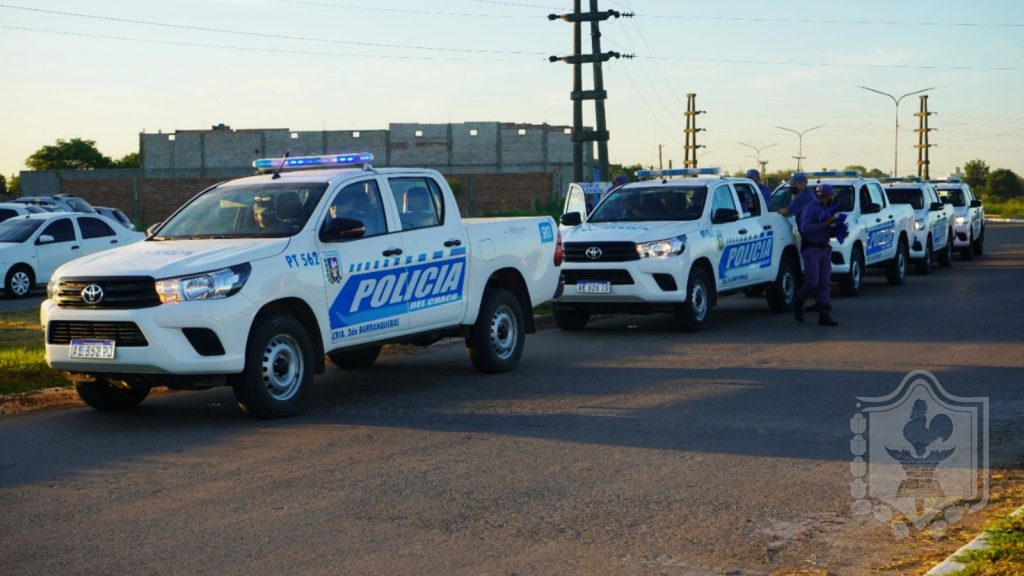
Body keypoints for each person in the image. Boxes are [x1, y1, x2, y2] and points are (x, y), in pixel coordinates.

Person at [793, 183, 839, 327]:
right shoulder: (810, 208)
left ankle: (824, 315)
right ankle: (799, 300)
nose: (832, 197)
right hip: (811, 249)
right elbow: (805, 228)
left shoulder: (827, 208)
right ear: (826, 195)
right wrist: (825, 224)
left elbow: (827, 228)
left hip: (824, 248)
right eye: (831, 195)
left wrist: (837, 229)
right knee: (813, 282)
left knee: (825, 283)